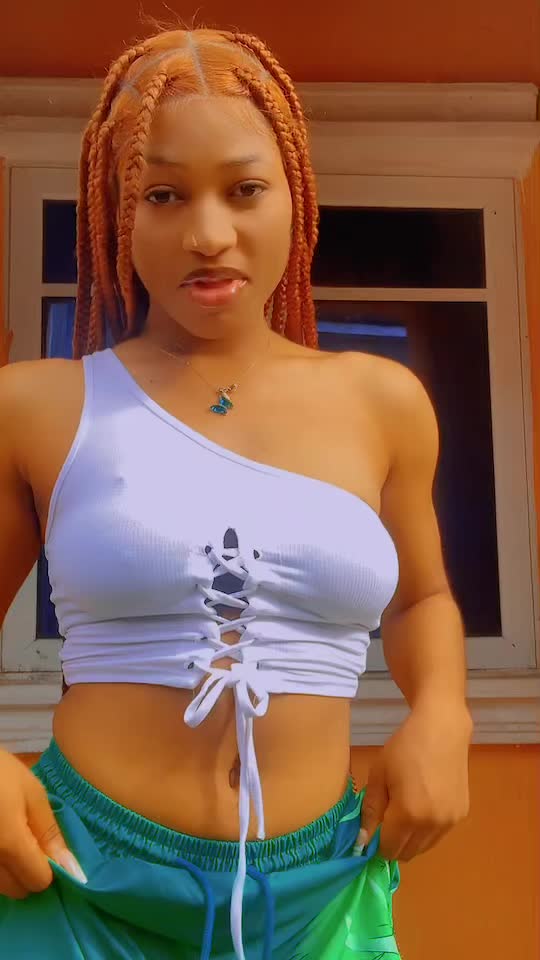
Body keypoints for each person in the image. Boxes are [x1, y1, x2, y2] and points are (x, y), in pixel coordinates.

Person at [0, 25, 473, 960]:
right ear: (115, 212)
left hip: (321, 894)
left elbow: (423, 598)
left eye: (244, 189)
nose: (208, 234)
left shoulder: (384, 403)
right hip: (75, 882)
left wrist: (444, 714)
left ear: (296, 194)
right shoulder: (34, 407)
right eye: (162, 195)